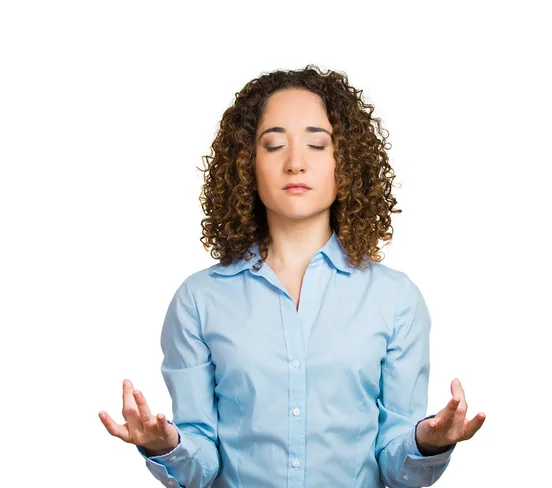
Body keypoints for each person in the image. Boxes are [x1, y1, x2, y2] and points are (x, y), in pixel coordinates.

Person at [99, 65, 486, 488]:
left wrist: (427, 443)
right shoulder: (199, 299)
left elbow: (398, 466)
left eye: (317, 145)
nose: (296, 163)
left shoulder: (396, 300)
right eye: (274, 145)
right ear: (246, 164)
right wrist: (164, 444)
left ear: (348, 163)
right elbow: (200, 464)